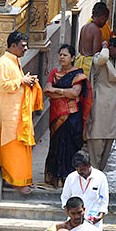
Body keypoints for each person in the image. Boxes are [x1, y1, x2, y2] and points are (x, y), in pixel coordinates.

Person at [0, 31, 43, 194]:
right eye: (23, 46)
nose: (26, 48)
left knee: (22, 148)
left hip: (19, 115)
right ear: (13, 46)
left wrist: (27, 80)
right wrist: (22, 80)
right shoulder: (4, 63)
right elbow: (2, 86)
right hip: (10, 115)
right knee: (14, 148)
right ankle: (14, 182)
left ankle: (23, 180)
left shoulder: (14, 61)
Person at [42, 44, 89, 187]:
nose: (62, 57)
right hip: (57, 116)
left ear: (73, 58)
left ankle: (70, 180)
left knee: (70, 148)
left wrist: (57, 90)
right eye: (60, 55)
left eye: (65, 55)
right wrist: (64, 92)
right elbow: (47, 91)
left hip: (72, 117)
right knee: (56, 147)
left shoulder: (78, 75)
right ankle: (56, 178)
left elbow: (75, 93)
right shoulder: (54, 72)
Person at [86, 38, 116, 173]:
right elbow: (103, 57)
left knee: (108, 144)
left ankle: (99, 173)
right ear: (110, 47)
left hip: (113, 106)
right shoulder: (99, 58)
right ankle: (93, 172)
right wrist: (105, 46)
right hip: (99, 106)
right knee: (96, 144)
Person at [60, 151, 108, 231]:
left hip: (93, 220)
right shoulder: (71, 177)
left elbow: (104, 200)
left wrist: (100, 216)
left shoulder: (100, 177)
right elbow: (65, 197)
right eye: (77, 170)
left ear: (89, 165)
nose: (79, 172)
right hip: (74, 221)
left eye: (82, 170)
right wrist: (71, 214)